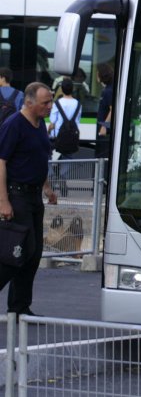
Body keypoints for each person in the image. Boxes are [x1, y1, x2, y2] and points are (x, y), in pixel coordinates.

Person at [0, 83, 59, 316]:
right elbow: (1, 161)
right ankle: (18, 306)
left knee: (33, 255)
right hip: (16, 195)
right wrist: (3, 201)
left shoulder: (40, 124)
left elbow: (39, 157)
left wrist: (47, 187)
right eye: (45, 102)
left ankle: (19, 308)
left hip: (34, 195)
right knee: (18, 251)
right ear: (29, 102)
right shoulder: (14, 124)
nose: (50, 106)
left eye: (51, 100)